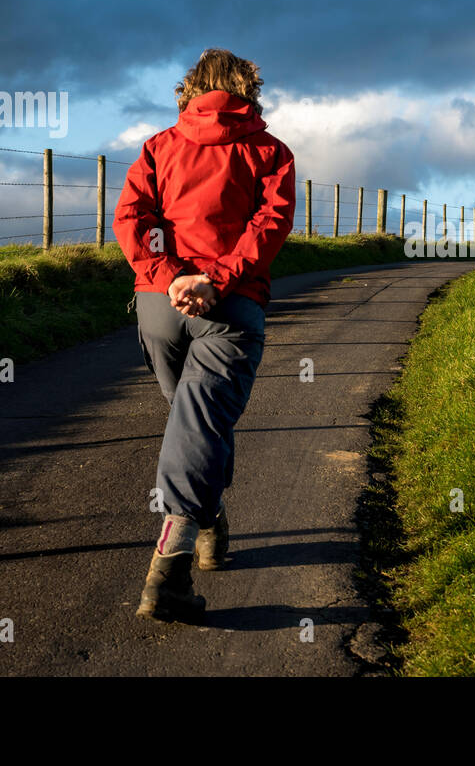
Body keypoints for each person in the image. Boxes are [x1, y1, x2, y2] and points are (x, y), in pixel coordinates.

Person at [114, 48, 295, 622]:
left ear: (190, 90)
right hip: (230, 305)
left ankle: (209, 522)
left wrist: (170, 279)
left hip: (159, 306)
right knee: (200, 421)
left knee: (192, 418)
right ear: (248, 89)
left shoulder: (159, 146)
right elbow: (270, 225)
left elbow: (132, 220)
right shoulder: (271, 152)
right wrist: (215, 280)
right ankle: (168, 571)